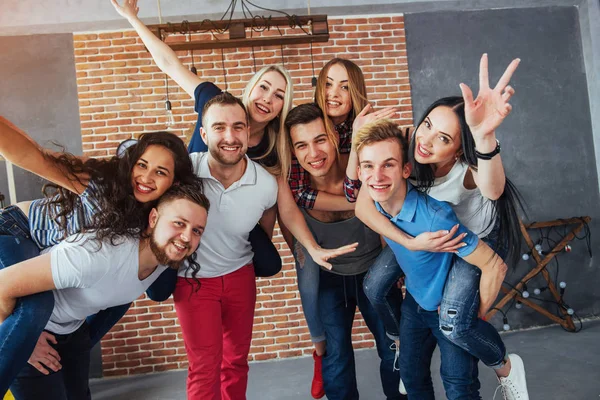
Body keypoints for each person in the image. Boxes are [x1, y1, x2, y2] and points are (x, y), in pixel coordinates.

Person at [110, 0, 353, 280]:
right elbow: (169, 65)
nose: (267, 99)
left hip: (229, 217)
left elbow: (283, 205)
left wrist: (309, 247)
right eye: (264, 87)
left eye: (279, 96)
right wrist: (132, 19)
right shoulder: (215, 103)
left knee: (269, 264)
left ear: (281, 108)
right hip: (185, 207)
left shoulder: (276, 146)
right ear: (251, 88)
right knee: (158, 286)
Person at [350, 55, 529, 399]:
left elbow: (494, 190)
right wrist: (410, 243)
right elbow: (362, 201)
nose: (427, 140)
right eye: (428, 124)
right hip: (430, 237)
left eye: (444, 138)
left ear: (460, 149)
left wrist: (483, 136)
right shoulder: (406, 146)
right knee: (374, 284)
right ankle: (403, 342)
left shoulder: (467, 171)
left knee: (454, 322)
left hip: (473, 242)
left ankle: (505, 366)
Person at [0, 116, 199, 395]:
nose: (146, 177)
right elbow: (32, 155)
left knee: (122, 294)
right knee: (36, 307)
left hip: (48, 253)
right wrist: (23, 340)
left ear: (173, 181)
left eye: (160, 172)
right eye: (142, 165)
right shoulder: (104, 183)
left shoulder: (156, 217)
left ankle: (74, 347)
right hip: (17, 231)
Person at [285, 103, 403, 400]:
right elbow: (297, 246)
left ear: (336, 137)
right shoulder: (294, 189)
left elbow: (387, 216)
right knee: (336, 358)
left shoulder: (363, 169)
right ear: (294, 152)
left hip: (374, 272)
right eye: (302, 145)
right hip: (328, 278)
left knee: (395, 349)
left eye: (320, 139)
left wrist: (398, 268)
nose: (313, 153)